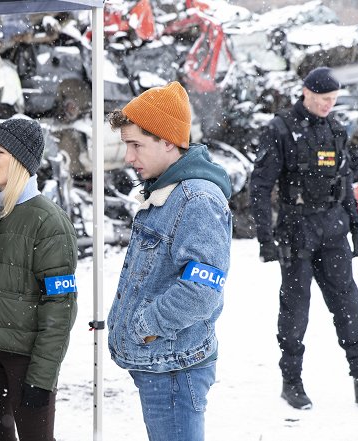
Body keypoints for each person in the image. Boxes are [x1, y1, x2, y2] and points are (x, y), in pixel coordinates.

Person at [250, 66, 358, 409]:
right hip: (296, 230)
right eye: (323, 99)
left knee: (349, 306)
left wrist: (356, 227)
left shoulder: (335, 128)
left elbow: (345, 182)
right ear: (306, 92)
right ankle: (292, 382)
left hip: (333, 229)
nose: (328, 106)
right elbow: (260, 186)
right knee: (295, 310)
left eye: (333, 100)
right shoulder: (281, 129)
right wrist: (264, 238)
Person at [106, 81, 233, 441]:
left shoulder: (196, 200)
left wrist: (145, 326)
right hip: (163, 362)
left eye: (135, 145)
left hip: (176, 367)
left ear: (167, 141)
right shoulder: (168, 191)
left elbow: (201, 289)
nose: (129, 157)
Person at [0, 117, 78, 441]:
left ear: (21, 161)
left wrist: (42, 377)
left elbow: (60, 307)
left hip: (26, 360)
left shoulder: (48, 222)